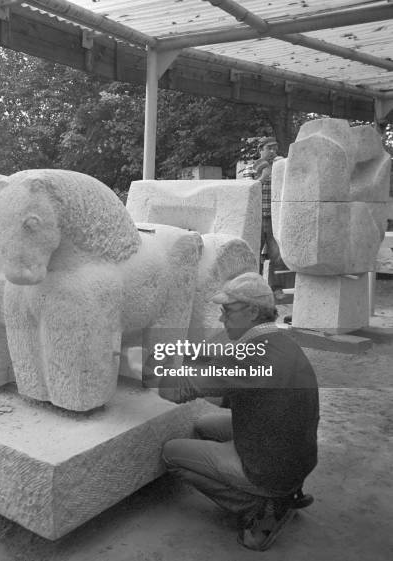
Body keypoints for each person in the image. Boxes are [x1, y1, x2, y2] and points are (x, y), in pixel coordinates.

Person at [155, 272, 319, 551]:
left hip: (270, 469)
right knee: (205, 424)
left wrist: (140, 363)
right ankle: (287, 490)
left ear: (253, 311)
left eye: (227, 311)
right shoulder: (281, 343)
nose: (221, 319)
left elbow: (173, 392)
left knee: (171, 453)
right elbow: (229, 374)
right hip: (295, 457)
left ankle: (264, 506)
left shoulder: (249, 357)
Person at [252, 137, 286, 298]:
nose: (273, 151)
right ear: (261, 149)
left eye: (275, 148)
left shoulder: (280, 167)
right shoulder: (251, 168)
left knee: (277, 255)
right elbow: (247, 190)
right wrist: (263, 177)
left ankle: (276, 287)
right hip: (256, 218)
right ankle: (253, 287)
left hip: (275, 219)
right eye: (269, 148)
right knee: (253, 253)